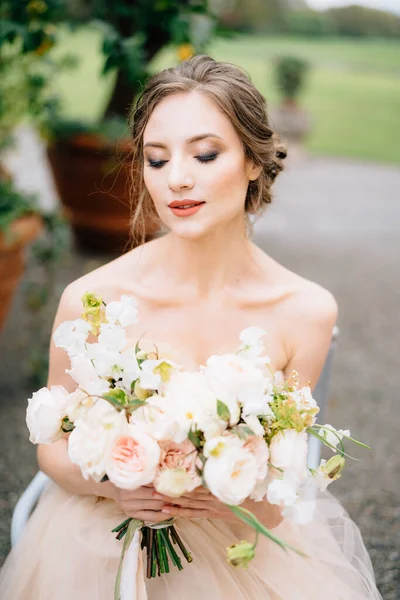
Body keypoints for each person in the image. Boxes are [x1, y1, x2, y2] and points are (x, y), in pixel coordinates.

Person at [0, 55, 381, 599]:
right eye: (156, 160)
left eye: (205, 154)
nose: (177, 177)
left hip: (235, 549)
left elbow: (282, 485)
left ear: (253, 161)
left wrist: (236, 495)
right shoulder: (93, 300)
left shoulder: (306, 310)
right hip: (97, 540)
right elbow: (52, 451)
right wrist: (114, 489)